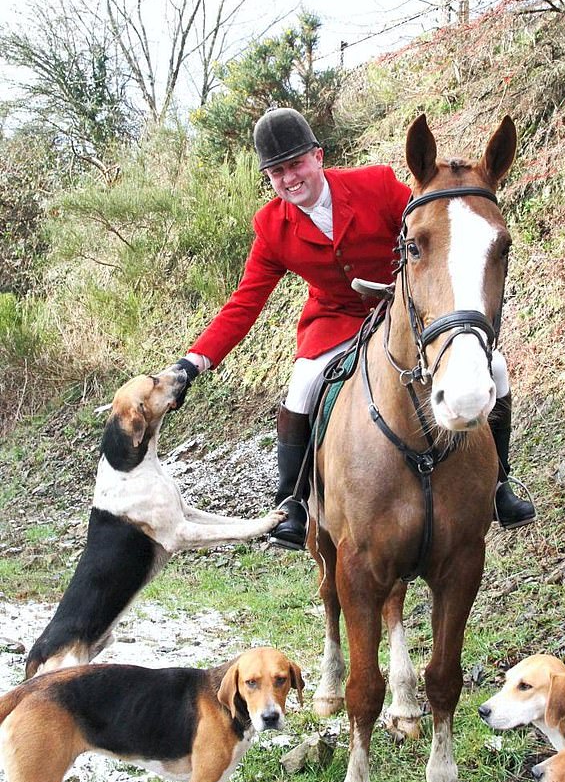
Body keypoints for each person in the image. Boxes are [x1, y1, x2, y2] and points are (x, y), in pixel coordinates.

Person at [173, 108, 535, 550]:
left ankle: (499, 485)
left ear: (317, 156)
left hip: (404, 312)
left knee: (495, 366)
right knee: (303, 386)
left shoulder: (375, 185)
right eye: (277, 172)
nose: (289, 179)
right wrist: (194, 362)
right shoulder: (271, 227)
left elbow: (432, 224)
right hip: (335, 321)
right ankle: (292, 502)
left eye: (296, 164)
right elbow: (245, 302)